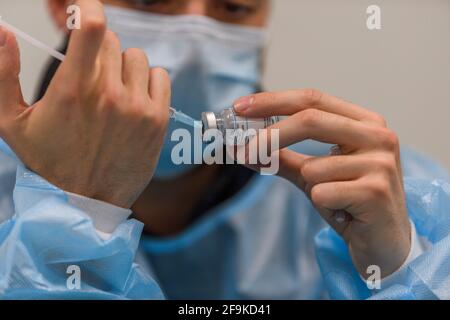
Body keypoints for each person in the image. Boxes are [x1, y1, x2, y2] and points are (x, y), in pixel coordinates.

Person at [0, 0, 449, 299]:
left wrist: (401, 272)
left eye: (233, 5)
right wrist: (75, 219)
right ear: (65, 6)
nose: (195, 45)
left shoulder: (391, 201)